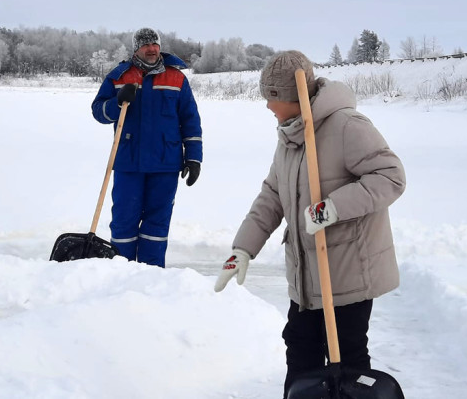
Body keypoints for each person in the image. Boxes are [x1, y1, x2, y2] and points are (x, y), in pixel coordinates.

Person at [212, 50, 405, 397]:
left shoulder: (347, 126)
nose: (268, 106)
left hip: (347, 273)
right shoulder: (290, 136)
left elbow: (390, 177)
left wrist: (332, 208)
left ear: (294, 97)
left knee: (347, 361)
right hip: (305, 278)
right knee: (300, 350)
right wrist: (242, 249)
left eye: (273, 98)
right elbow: (272, 196)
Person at [91, 27, 203, 267]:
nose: (151, 49)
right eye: (145, 45)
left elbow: (190, 120)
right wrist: (116, 102)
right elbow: (98, 111)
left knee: (157, 224)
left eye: (155, 44)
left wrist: (194, 158)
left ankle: (152, 275)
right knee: (123, 221)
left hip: (166, 163)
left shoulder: (177, 79)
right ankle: (121, 271)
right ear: (136, 49)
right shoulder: (119, 77)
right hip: (128, 163)